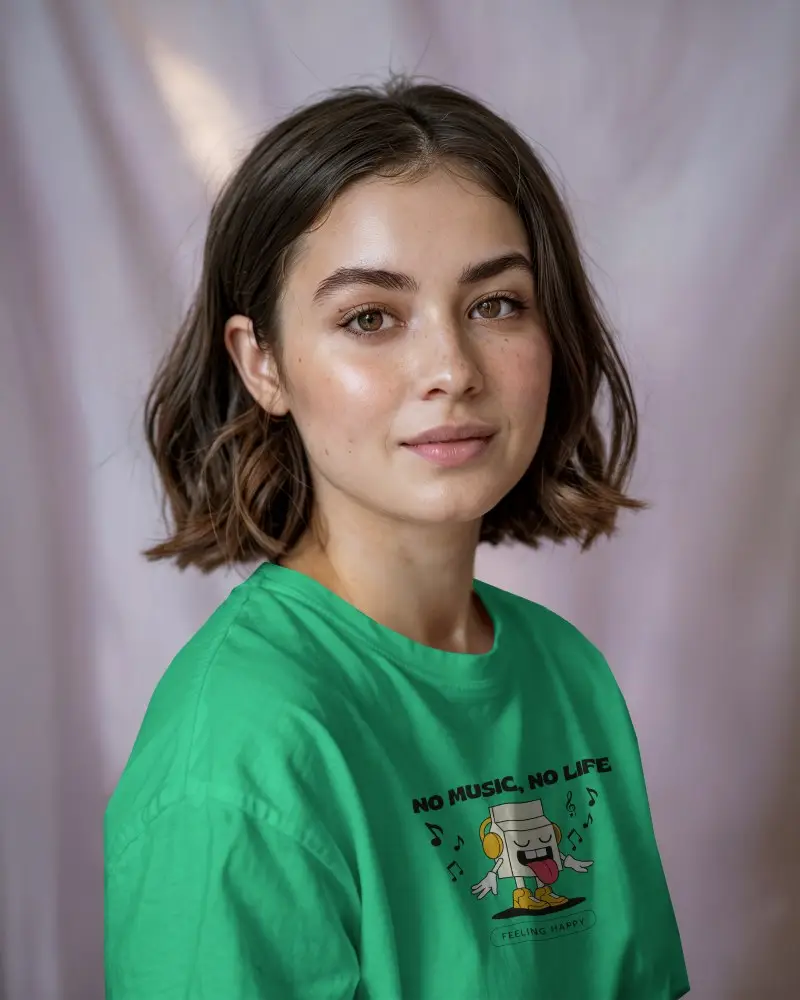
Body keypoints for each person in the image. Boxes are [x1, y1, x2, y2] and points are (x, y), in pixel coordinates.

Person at [104, 77, 689, 999]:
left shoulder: (567, 676)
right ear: (263, 364)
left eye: (496, 303)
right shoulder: (241, 752)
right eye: (370, 317)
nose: (451, 370)